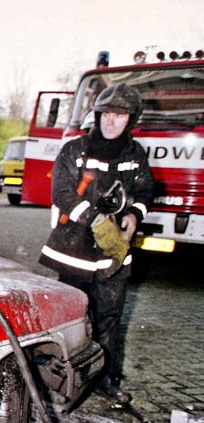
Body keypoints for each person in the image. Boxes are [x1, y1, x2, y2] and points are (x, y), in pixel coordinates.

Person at [38, 83, 153, 404]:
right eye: (106, 114)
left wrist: (133, 214)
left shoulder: (135, 154)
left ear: (130, 119)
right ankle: (62, 378)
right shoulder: (75, 150)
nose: (111, 121)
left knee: (110, 318)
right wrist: (94, 219)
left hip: (112, 256)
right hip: (74, 251)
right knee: (71, 317)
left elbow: (145, 192)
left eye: (120, 115)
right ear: (97, 115)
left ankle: (106, 380)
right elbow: (60, 193)